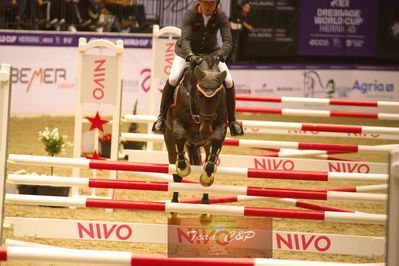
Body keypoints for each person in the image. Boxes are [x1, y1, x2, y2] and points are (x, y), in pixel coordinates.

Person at [152, 0, 244, 136]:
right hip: (186, 53)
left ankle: (232, 121)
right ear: (200, 2)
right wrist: (190, 55)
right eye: (206, 3)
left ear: (217, 4)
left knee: (229, 81)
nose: (208, 7)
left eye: (212, 4)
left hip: (211, 54)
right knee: (173, 78)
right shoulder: (191, 14)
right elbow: (185, 39)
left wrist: (221, 55)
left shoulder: (221, 15)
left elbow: (228, 41)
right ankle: (161, 117)